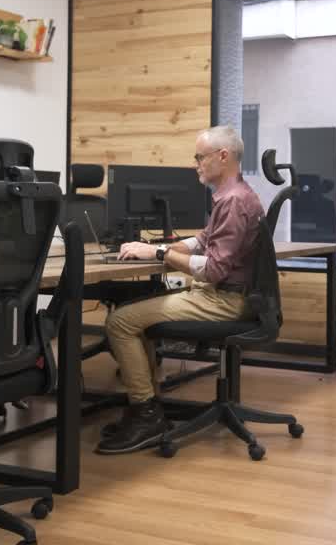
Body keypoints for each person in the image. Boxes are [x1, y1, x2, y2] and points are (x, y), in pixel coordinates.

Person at [95, 125, 264, 455]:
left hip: (226, 299)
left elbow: (214, 268)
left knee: (120, 322)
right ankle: (147, 404)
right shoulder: (237, 195)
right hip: (232, 294)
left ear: (223, 156)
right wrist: (159, 245)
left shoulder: (232, 202)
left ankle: (146, 413)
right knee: (137, 314)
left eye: (200, 157)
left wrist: (158, 254)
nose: (195, 164)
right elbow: (203, 241)